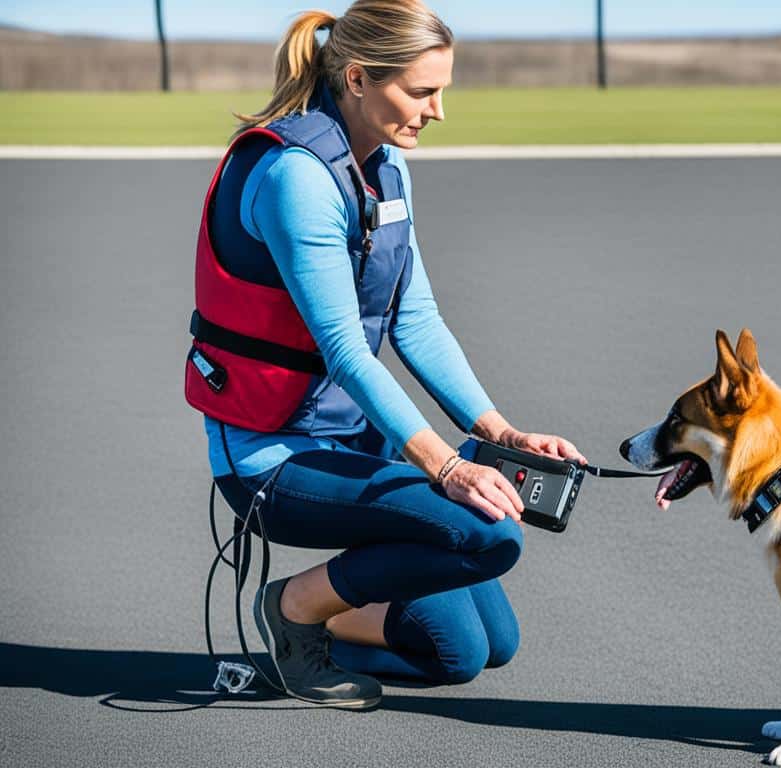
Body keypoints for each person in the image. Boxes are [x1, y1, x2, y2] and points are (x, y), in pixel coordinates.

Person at [184, 0, 586, 710]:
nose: (438, 111)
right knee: (490, 537)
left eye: (443, 90)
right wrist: (449, 465)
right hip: (272, 461)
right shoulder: (297, 178)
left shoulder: (385, 165)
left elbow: (417, 319)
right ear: (361, 78)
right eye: (423, 91)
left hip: (352, 443)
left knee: (471, 651)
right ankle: (293, 608)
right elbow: (345, 350)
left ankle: (307, 634)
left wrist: (501, 434)